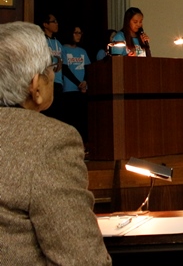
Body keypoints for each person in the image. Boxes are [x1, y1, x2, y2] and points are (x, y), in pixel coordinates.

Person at [0, 22, 112, 265]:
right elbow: (83, 259)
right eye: (51, 68)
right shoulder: (51, 142)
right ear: (35, 86)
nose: (53, 74)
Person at [61, 25, 91, 143]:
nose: (79, 35)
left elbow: (88, 68)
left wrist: (84, 82)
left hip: (82, 90)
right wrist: (78, 83)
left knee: (82, 120)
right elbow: (65, 69)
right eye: (76, 33)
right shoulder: (64, 49)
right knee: (71, 120)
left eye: (80, 33)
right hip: (69, 89)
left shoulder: (82, 51)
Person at [39, 12, 64, 121]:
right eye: (54, 21)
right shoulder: (41, 40)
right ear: (45, 24)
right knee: (47, 113)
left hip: (58, 82)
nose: (56, 24)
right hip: (46, 81)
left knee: (58, 115)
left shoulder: (58, 43)